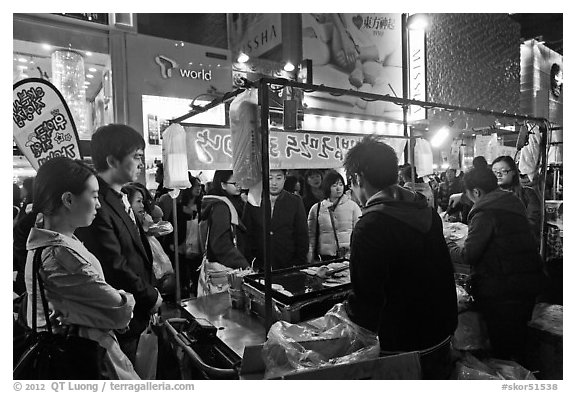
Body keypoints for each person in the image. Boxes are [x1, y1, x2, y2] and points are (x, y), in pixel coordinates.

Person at [342, 136, 457, 379]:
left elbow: (367, 300)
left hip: (402, 345)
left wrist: (343, 315)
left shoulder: (370, 226)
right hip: (441, 334)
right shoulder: (427, 212)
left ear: (358, 178)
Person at [24, 157, 138, 379]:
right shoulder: (61, 255)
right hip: (86, 358)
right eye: (94, 196)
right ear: (68, 199)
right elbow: (119, 311)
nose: (98, 204)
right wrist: (125, 300)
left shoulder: (50, 243)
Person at [75, 124, 162, 363]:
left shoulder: (119, 196)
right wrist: (149, 296)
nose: (142, 164)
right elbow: (114, 265)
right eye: (136, 157)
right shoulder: (97, 203)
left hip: (136, 309)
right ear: (112, 160)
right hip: (121, 314)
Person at [447, 166, 545, 362]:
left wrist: (447, 242)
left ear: (476, 192)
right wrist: (463, 197)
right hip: (527, 283)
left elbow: (468, 255)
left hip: (502, 289)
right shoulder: (511, 201)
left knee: (503, 349)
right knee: (518, 342)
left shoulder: (484, 212)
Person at [243, 169, 309, 271]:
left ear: (284, 179)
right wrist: (251, 261)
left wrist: (298, 262)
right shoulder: (253, 200)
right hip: (259, 264)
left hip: (287, 263)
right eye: (270, 178)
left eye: (278, 178)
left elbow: (302, 235)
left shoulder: (295, 201)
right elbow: (247, 233)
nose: (274, 183)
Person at [198, 170, 250, 296]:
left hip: (220, 267)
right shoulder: (221, 207)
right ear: (223, 185)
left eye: (240, 181)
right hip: (225, 269)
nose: (239, 185)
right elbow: (220, 244)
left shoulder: (221, 203)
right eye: (234, 182)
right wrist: (243, 264)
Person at [307, 170, 361, 261]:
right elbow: (311, 235)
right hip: (325, 256)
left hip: (348, 255)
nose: (338, 188)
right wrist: (310, 256)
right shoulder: (316, 208)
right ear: (327, 187)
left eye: (340, 184)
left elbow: (359, 232)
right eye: (334, 185)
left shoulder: (353, 206)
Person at [492, 155, 542, 242]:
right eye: (495, 172)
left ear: (514, 172)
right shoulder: (489, 197)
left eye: (503, 171)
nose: (498, 175)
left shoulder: (528, 194)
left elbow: (533, 223)